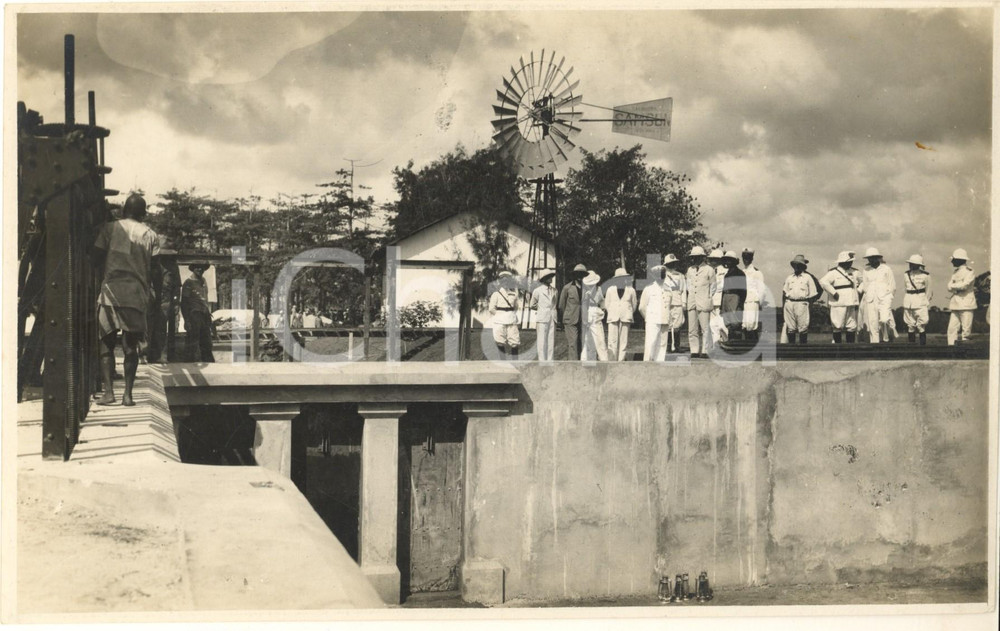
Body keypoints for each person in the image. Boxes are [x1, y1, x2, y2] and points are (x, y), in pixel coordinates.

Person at [93, 193, 160, 406]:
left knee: (106, 344)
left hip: (111, 292)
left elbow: (95, 256)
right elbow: (157, 269)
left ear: (124, 210)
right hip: (135, 294)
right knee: (130, 346)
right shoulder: (150, 234)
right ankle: (128, 395)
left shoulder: (110, 228)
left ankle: (109, 393)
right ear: (143, 214)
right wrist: (155, 296)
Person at [147, 235, 181, 362]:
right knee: (147, 327)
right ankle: (144, 354)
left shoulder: (173, 267)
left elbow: (177, 286)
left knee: (161, 328)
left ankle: (158, 355)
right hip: (150, 298)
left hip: (165, 300)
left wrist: (176, 302)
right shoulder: (150, 264)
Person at [820, 251, 862, 344]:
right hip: (838, 303)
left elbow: (863, 282)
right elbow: (823, 282)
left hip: (851, 301)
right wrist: (833, 292)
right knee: (837, 325)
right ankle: (837, 349)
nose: (851, 263)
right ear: (843, 261)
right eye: (849, 261)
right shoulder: (833, 272)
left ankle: (850, 350)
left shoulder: (855, 272)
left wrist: (858, 291)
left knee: (851, 326)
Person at [859, 247, 896, 343]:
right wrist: (868, 296)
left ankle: (886, 339)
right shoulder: (866, 270)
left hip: (884, 299)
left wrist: (889, 298)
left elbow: (892, 286)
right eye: (869, 258)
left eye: (873, 258)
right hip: (871, 299)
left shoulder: (886, 269)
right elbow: (865, 286)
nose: (871, 260)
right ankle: (874, 345)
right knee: (873, 323)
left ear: (878, 258)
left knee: (884, 320)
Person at [181, 263, 215, 362]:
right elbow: (184, 302)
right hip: (194, 314)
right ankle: (189, 364)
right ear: (193, 269)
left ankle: (209, 364)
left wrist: (208, 313)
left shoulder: (203, 281)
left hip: (204, 314)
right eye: (197, 267)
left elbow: (205, 299)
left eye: (202, 267)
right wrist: (186, 320)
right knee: (192, 341)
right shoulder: (188, 283)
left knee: (207, 342)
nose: (200, 269)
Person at [686, 246, 716, 358]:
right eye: (693, 257)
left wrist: (707, 297)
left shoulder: (709, 269)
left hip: (704, 302)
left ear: (702, 257)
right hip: (692, 301)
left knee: (705, 328)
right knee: (692, 329)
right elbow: (689, 286)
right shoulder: (690, 270)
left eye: (698, 257)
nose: (695, 259)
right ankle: (694, 350)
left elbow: (713, 287)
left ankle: (705, 350)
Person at [782, 254, 818, 344]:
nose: (797, 267)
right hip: (789, 303)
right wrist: (784, 307)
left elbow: (813, 294)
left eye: (799, 265)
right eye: (795, 265)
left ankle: (803, 351)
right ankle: (791, 351)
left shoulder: (808, 278)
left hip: (802, 304)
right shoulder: (789, 278)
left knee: (803, 328)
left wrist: (809, 307)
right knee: (791, 328)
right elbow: (784, 292)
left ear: (803, 266)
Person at [639, 261, 670, 362]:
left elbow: (669, 305)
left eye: (663, 275)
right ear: (655, 276)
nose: (661, 277)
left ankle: (660, 365)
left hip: (664, 320)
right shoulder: (649, 289)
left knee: (662, 345)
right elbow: (642, 307)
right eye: (659, 275)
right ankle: (647, 365)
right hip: (652, 320)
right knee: (650, 344)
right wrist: (648, 318)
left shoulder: (668, 289)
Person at [605, 268, 637, 361]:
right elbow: (607, 304)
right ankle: (612, 361)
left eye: (623, 277)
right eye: (619, 278)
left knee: (624, 341)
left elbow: (634, 304)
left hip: (626, 317)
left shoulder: (631, 290)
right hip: (613, 317)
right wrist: (613, 312)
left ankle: (621, 361)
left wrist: (627, 312)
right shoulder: (610, 290)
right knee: (612, 341)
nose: (621, 280)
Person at [947, 248, 977, 345]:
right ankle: (951, 348)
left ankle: (966, 351)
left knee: (966, 331)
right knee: (952, 328)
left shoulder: (970, 271)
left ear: (960, 260)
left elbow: (964, 286)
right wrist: (955, 287)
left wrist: (954, 287)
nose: (952, 261)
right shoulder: (955, 272)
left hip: (966, 304)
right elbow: (948, 286)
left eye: (954, 259)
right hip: (956, 303)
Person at [489, 270, 521, 359]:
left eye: (507, 281)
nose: (505, 283)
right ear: (500, 282)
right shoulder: (496, 294)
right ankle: (503, 362)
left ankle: (515, 363)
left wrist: (510, 314)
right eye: (503, 281)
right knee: (500, 340)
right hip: (499, 321)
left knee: (514, 341)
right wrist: (500, 315)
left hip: (511, 320)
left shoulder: (513, 294)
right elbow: (491, 308)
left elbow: (516, 307)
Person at [558, 264, 588, 360]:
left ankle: (582, 363)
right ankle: (573, 366)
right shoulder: (567, 288)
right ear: (574, 275)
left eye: (582, 274)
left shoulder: (587, 288)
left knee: (582, 342)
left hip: (583, 319)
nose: (580, 276)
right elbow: (561, 305)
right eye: (578, 274)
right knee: (573, 343)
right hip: (570, 319)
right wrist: (564, 319)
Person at [901, 254, 931, 345]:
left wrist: (925, 302)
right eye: (910, 263)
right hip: (908, 302)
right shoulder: (906, 275)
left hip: (920, 302)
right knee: (910, 325)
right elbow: (905, 288)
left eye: (913, 263)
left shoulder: (925, 276)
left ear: (918, 265)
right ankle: (911, 347)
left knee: (921, 326)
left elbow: (929, 291)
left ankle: (923, 347)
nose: (911, 265)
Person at [530, 268, 558, 362]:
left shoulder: (555, 290)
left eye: (551, 276)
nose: (551, 279)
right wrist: (542, 309)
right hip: (542, 319)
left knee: (551, 340)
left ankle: (550, 361)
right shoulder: (537, 291)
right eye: (549, 277)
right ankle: (542, 361)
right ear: (544, 278)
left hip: (552, 318)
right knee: (542, 341)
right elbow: (532, 305)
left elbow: (554, 304)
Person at [580, 271, 608, 361]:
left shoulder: (599, 289)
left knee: (600, 340)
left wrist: (601, 310)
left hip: (596, 315)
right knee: (587, 341)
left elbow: (603, 303)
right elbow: (583, 304)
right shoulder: (584, 290)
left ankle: (604, 361)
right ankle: (585, 361)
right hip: (587, 315)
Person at [662, 254, 687, 353]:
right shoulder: (662, 275)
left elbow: (684, 290)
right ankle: (668, 346)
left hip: (677, 301)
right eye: (670, 263)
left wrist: (684, 302)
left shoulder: (680, 275)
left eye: (674, 263)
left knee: (677, 325)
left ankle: (676, 346)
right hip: (666, 302)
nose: (673, 265)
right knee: (667, 324)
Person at [720, 251, 747, 340]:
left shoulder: (740, 273)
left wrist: (740, 305)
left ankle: (737, 344)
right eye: (726, 260)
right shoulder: (727, 274)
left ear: (734, 261)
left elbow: (743, 291)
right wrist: (721, 306)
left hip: (735, 298)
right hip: (726, 298)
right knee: (728, 323)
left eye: (729, 260)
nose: (727, 262)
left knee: (735, 323)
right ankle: (731, 342)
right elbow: (724, 290)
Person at [741, 249, 764, 342]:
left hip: (752, 301)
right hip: (743, 302)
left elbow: (761, 290)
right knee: (744, 326)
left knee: (752, 325)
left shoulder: (757, 272)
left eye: (748, 257)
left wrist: (759, 304)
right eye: (744, 257)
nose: (746, 259)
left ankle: (755, 350)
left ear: (752, 258)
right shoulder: (742, 272)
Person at [708, 248, 728, 344]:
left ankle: (727, 343)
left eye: (714, 259)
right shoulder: (710, 271)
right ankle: (716, 345)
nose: (712, 261)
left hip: (721, 302)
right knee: (713, 325)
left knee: (722, 325)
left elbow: (722, 287)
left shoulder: (725, 271)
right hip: (711, 302)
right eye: (711, 259)